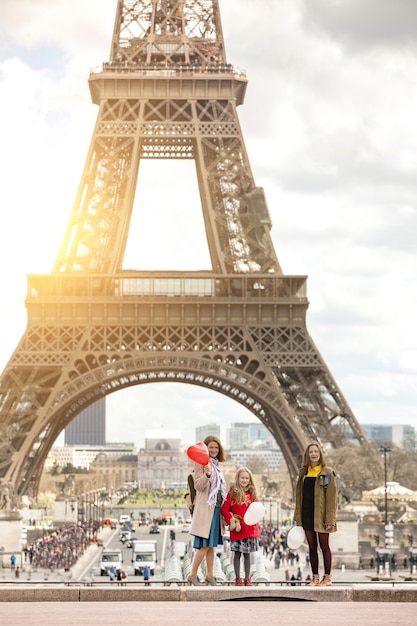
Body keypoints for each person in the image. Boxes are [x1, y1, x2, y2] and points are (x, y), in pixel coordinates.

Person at [294, 442, 338, 586]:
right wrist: (298, 517)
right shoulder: (304, 472)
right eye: (311, 452)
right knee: (312, 548)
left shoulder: (327, 473)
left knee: (324, 546)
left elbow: (332, 499)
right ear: (307, 454)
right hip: (307, 514)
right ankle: (315, 578)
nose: (313, 454)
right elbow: (299, 496)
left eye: (316, 452)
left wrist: (330, 519)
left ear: (320, 454)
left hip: (321, 516)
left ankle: (327, 577)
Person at [188, 435, 227, 586]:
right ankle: (192, 575)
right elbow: (198, 486)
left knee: (211, 545)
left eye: (216, 448)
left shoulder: (216, 464)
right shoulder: (201, 464)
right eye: (211, 447)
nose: (214, 450)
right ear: (205, 449)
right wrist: (208, 474)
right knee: (204, 545)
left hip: (216, 508)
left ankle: (210, 576)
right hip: (207, 509)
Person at [221, 467, 260, 586]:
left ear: (250, 479)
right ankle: (238, 578)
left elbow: (257, 509)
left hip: (249, 529)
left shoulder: (252, 493)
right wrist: (231, 520)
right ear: (237, 478)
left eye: (246, 478)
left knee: (247, 555)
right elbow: (224, 509)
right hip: (238, 529)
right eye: (242, 478)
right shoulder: (232, 493)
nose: (244, 480)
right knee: (237, 554)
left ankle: (247, 578)